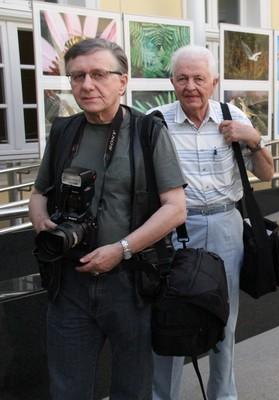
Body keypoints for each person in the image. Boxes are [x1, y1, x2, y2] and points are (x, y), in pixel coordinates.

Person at [28, 38, 187, 400]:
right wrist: (41, 221)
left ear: (122, 81)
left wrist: (122, 249)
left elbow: (176, 208)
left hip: (130, 283)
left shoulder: (148, 132)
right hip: (69, 283)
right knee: (67, 389)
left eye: (99, 74)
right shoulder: (64, 131)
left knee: (132, 389)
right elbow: (38, 194)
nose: (87, 85)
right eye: (77, 76)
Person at [151, 45, 274, 400]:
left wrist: (254, 139)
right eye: (182, 78)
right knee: (170, 315)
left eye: (199, 78)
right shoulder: (155, 122)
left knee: (224, 316)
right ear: (172, 82)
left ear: (214, 82)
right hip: (173, 228)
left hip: (225, 225)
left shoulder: (232, 116)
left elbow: (267, 173)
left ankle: (224, 395)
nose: (191, 86)